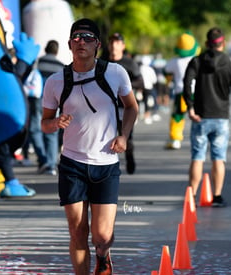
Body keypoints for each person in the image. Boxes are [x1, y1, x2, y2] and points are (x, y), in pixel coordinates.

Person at [41, 18, 138, 274]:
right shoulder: (55, 81)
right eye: (76, 38)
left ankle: (103, 255)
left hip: (106, 164)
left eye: (87, 38)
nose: (81, 42)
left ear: (97, 45)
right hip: (72, 163)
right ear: (69, 45)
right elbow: (44, 124)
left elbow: (131, 107)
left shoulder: (114, 73)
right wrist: (55, 123)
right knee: (77, 231)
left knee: (102, 236)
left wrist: (124, 135)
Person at [183, 27, 231, 207]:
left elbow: (187, 83)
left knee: (197, 156)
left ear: (206, 44)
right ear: (223, 43)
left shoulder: (196, 61)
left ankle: (192, 196)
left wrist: (190, 107)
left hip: (200, 117)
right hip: (221, 119)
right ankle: (217, 196)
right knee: (219, 157)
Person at [103, 32, 144, 174]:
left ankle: (129, 157)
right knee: (105, 138)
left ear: (123, 46)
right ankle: (107, 165)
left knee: (126, 136)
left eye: (117, 42)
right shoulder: (102, 62)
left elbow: (141, 82)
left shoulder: (129, 63)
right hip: (105, 108)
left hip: (125, 107)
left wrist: (123, 86)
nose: (114, 45)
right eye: (111, 42)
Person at [164, 32, 200, 150]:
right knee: (199, 115)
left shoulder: (175, 61)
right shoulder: (197, 60)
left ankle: (175, 139)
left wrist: (169, 79)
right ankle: (201, 138)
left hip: (181, 92)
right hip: (197, 92)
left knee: (177, 116)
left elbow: (166, 71)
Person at [37, 40, 66, 174]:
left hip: (36, 99)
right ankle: (50, 163)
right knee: (52, 131)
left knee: (35, 129)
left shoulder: (38, 62)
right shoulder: (61, 66)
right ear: (57, 51)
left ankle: (42, 159)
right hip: (54, 102)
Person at [139, 55, 159, 124]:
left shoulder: (139, 68)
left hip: (140, 88)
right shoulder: (150, 69)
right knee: (148, 101)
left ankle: (139, 115)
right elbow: (154, 80)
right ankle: (147, 116)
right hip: (149, 87)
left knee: (140, 101)